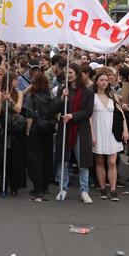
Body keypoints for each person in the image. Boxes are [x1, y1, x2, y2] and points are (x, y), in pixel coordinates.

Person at [57, 63, 94, 204]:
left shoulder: (87, 92)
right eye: (66, 72)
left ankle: (84, 190)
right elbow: (54, 107)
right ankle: (63, 188)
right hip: (65, 129)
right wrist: (61, 98)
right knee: (63, 160)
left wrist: (72, 116)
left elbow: (88, 112)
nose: (68, 75)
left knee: (82, 161)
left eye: (70, 72)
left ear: (77, 74)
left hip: (80, 130)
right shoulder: (62, 88)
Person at [23, 70, 59, 202]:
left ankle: (37, 187)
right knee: (47, 158)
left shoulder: (31, 97)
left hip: (35, 130)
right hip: (48, 129)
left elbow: (29, 116)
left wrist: (27, 131)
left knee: (35, 159)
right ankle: (45, 186)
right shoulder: (50, 98)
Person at [92, 67, 127, 202]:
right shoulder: (93, 97)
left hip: (113, 132)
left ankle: (113, 189)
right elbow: (89, 117)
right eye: (101, 80)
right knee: (100, 161)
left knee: (112, 161)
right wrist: (92, 134)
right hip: (98, 131)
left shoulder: (112, 95)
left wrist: (125, 130)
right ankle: (102, 187)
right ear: (96, 82)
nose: (104, 82)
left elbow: (121, 113)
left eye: (106, 80)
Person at [0, 71, 26, 196]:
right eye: (15, 80)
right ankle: (2, 186)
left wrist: (10, 100)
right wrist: (1, 101)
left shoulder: (19, 93)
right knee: (3, 158)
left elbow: (18, 109)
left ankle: (14, 186)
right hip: (4, 129)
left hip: (16, 129)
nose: (17, 82)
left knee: (15, 159)